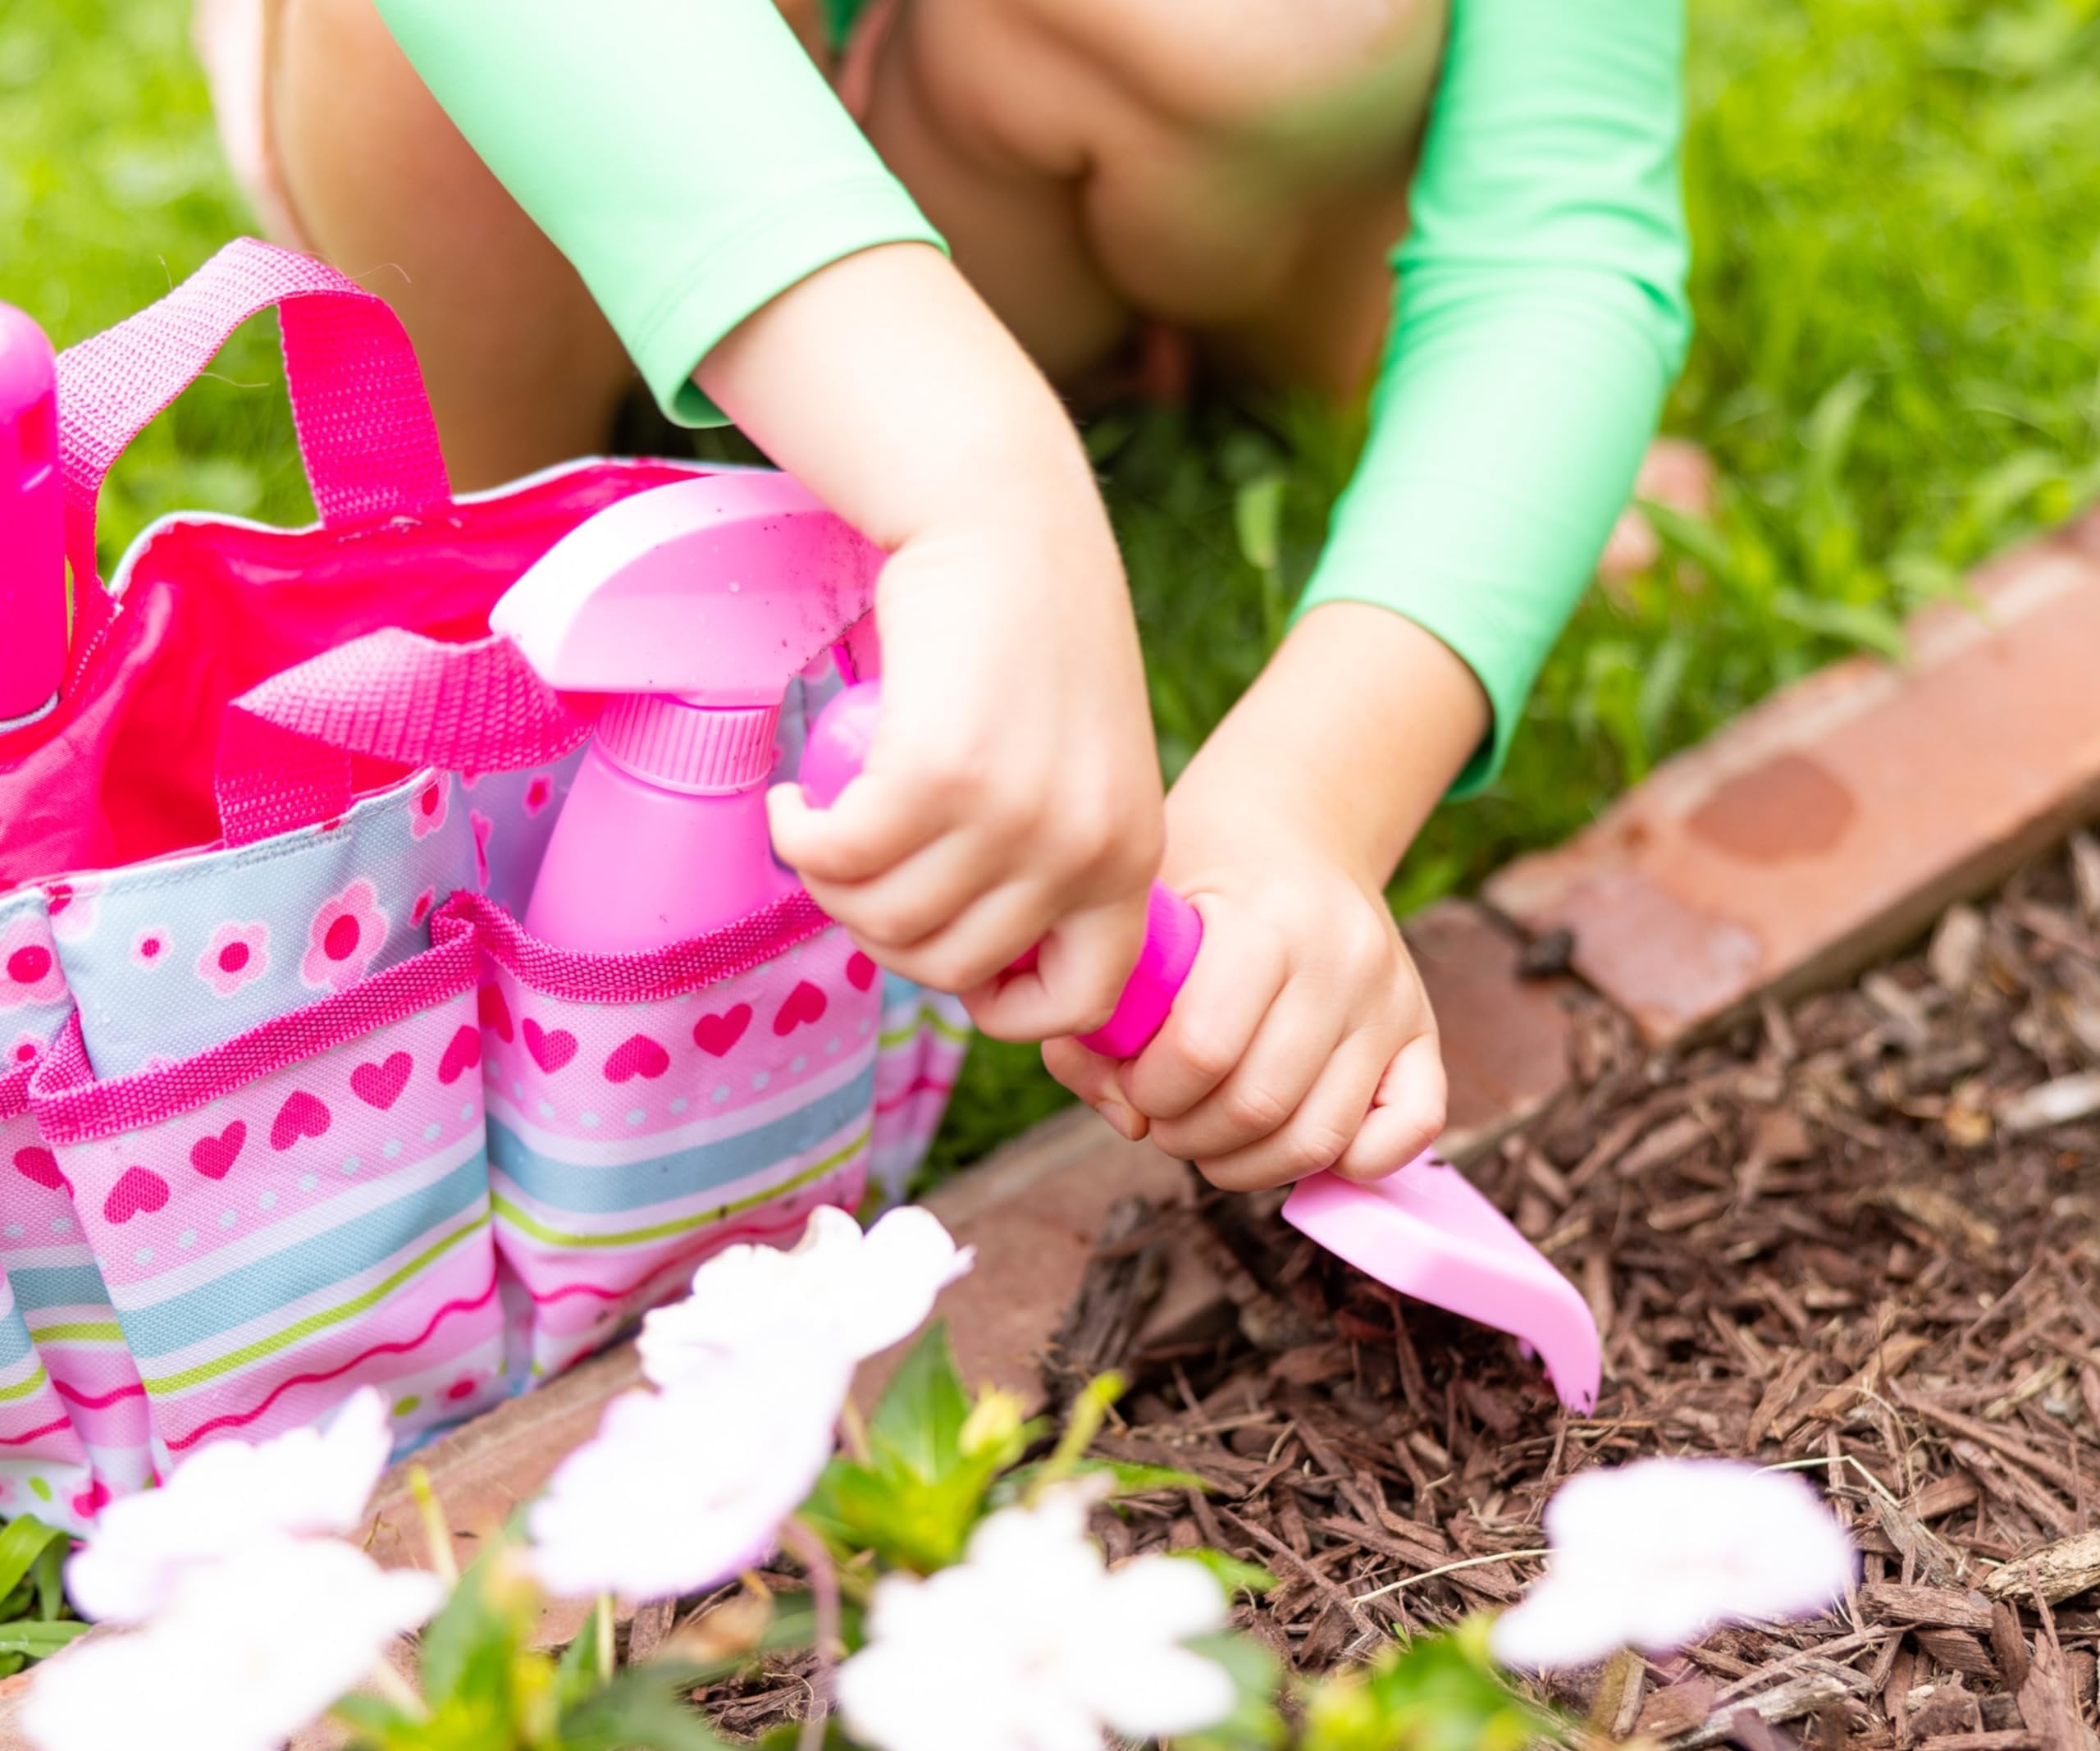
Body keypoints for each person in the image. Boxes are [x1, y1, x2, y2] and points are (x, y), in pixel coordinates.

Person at [194, 0, 1690, 1193]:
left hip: (1005, 130)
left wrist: (1310, 796)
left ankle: (1268, 343)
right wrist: (985, 490)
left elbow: (1552, 235)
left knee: (1279, 25)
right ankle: (489, 558)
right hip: (543, 103)